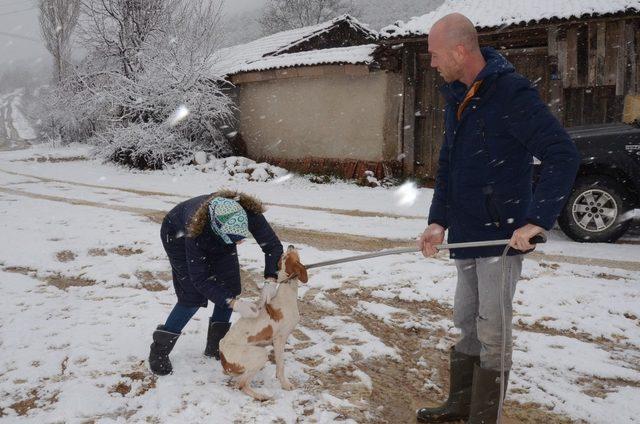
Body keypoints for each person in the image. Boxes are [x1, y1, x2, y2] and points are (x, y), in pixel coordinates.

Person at [416, 13, 580, 423]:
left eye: (435, 54)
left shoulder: (511, 94)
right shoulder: (459, 94)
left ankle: (482, 417)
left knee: (493, 330)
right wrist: (438, 221)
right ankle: (461, 406)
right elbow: (449, 163)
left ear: (459, 50)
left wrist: (537, 219)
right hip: (467, 234)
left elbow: (562, 153)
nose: (432, 63)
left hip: (502, 238)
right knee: (466, 322)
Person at [148, 190, 283, 376]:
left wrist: (271, 279)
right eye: (237, 240)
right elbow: (200, 279)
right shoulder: (194, 231)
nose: (242, 242)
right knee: (191, 297)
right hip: (177, 234)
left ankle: (216, 345)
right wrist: (233, 304)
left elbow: (272, 246)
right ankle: (159, 349)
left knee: (229, 287)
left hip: (218, 235)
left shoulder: (247, 212)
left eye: (242, 237)